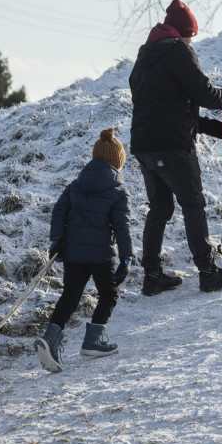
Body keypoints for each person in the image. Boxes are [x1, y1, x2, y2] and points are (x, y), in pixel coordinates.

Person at [128, 0, 222, 295]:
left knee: (160, 208)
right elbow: (204, 93)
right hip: (172, 146)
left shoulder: (144, 57)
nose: (193, 41)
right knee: (193, 204)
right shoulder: (178, 51)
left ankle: (152, 276)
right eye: (192, 35)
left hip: (144, 145)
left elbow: (173, 109)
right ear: (184, 32)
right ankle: (208, 272)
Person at [35, 127, 133, 373]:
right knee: (109, 293)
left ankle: (50, 338)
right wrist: (126, 257)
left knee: (70, 296)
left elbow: (59, 211)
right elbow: (122, 225)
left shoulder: (75, 185)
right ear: (117, 162)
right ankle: (93, 341)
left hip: (74, 253)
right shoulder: (118, 191)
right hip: (101, 255)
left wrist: (57, 240)